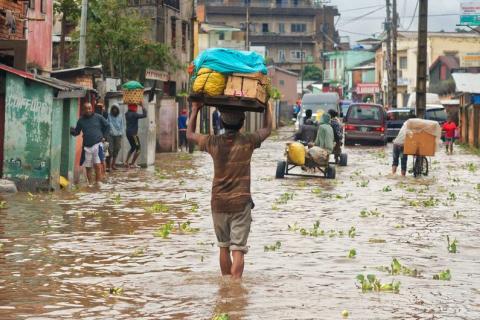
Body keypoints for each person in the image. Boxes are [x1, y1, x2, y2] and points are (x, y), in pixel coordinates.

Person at [187, 103, 272, 280]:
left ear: (222, 124)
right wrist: (267, 106)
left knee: (223, 246)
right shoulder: (248, 141)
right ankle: (235, 290)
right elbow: (267, 129)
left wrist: (195, 110)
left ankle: (226, 287)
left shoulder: (212, 142)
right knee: (238, 249)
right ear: (242, 123)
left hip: (218, 202)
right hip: (240, 203)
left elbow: (189, 134)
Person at [70, 102, 110, 184]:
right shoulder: (81, 120)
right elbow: (77, 132)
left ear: (92, 109)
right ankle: (91, 185)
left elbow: (107, 125)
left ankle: (98, 184)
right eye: (86, 109)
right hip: (87, 147)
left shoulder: (98, 117)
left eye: (89, 108)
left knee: (97, 165)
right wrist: (71, 130)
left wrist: (104, 137)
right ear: (83, 110)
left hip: (97, 144)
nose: (88, 110)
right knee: (88, 167)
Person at [125, 103, 147, 168]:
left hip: (128, 133)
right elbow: (145, 115)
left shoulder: (126, 114)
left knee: (133, 147)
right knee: (138, 149)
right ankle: (132, 163)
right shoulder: (134, 114)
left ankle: (126, 162)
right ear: (134, 108)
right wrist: (143, 106)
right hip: (134, 134)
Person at [107, 104, 124, 170]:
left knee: (116, 149)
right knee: (110, 150)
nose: (114, 110)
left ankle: (113, 165)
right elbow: (107, 124)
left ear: (118, 110)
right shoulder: (108, 116)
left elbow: (122, 125)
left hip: (118, 135)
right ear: (111, 109)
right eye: (113, 109)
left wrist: (121, 134)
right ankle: (109, 166)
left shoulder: (120, 116)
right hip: (110, 135)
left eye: (116, 109)